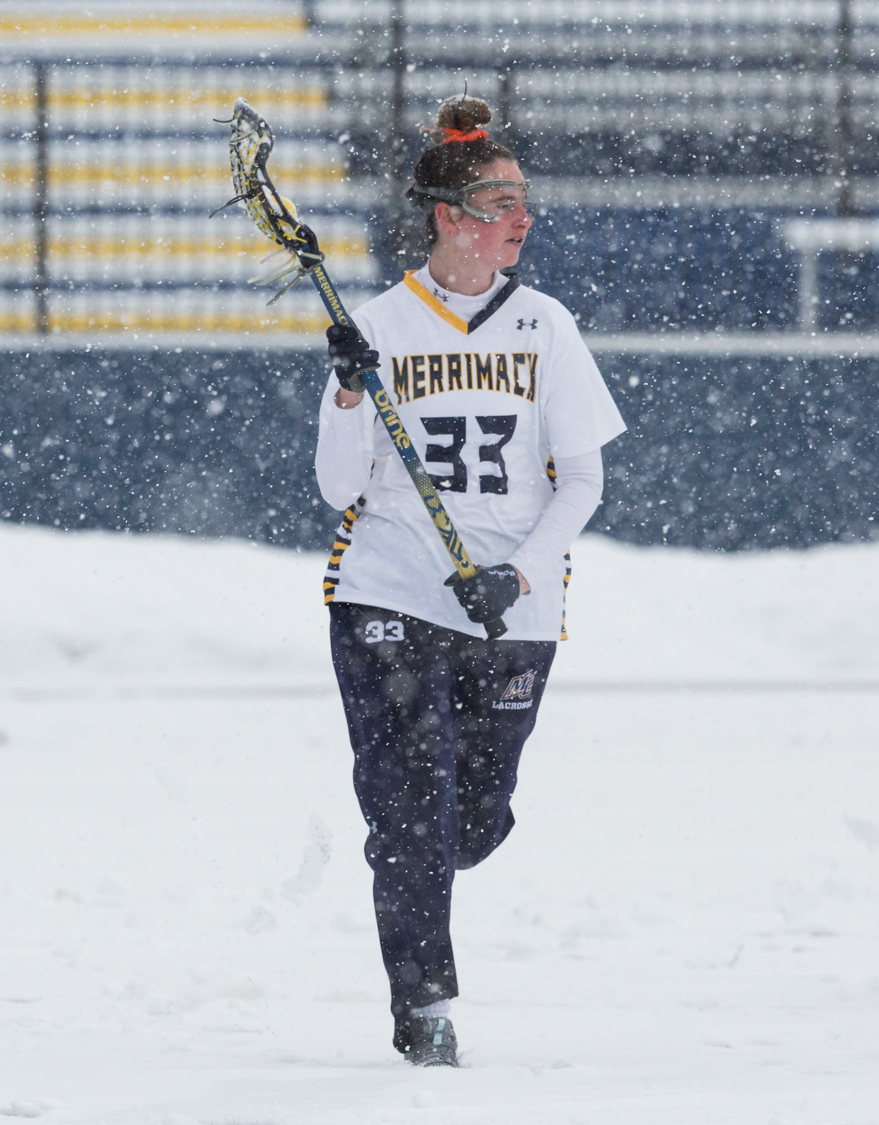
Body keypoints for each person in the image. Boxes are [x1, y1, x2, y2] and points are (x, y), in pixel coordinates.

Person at [313, 94, 627, 1065]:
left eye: (522, 198)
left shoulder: (544, 326)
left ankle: (409, 871)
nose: (521, 218)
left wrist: (518, 576)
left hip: (511, 614)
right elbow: (337, 488)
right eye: (499, 200)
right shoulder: (375, 326)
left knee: (471, 823)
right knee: (412, 805)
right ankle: (426, 1005)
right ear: (448, 216)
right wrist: (348, 391)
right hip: (390, 595)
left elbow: (582, 480)